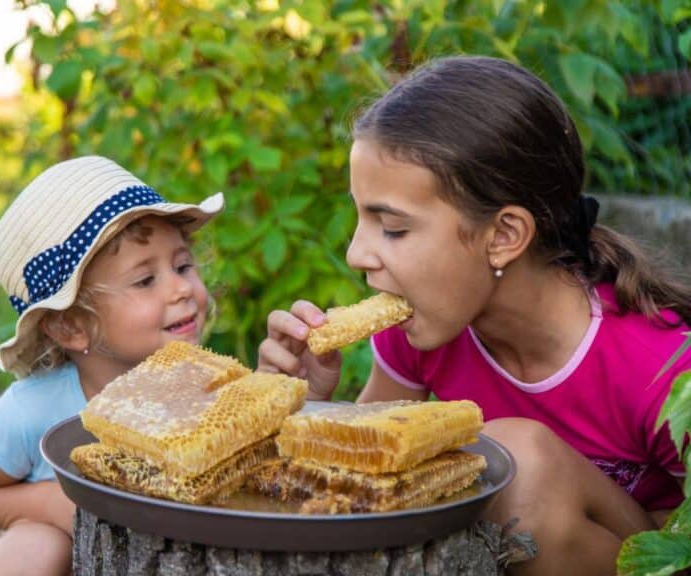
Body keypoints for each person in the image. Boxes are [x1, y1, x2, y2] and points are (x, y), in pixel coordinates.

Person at [258, 56, 688, 575]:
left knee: (517, 460)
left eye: (392, 228)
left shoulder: (660, 367)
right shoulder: (420, 329)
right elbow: (367, 480)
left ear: (503, 237)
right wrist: (310, 410)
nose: (356, 253)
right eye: (360, 217)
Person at [0, 156, 223, 576]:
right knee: (33, 551)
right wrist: (51, 504)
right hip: (65, 559)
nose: (182, 288)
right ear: (72, 326)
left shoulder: (207, 388)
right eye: (145, 280)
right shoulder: (33, 409)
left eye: (182, 266)